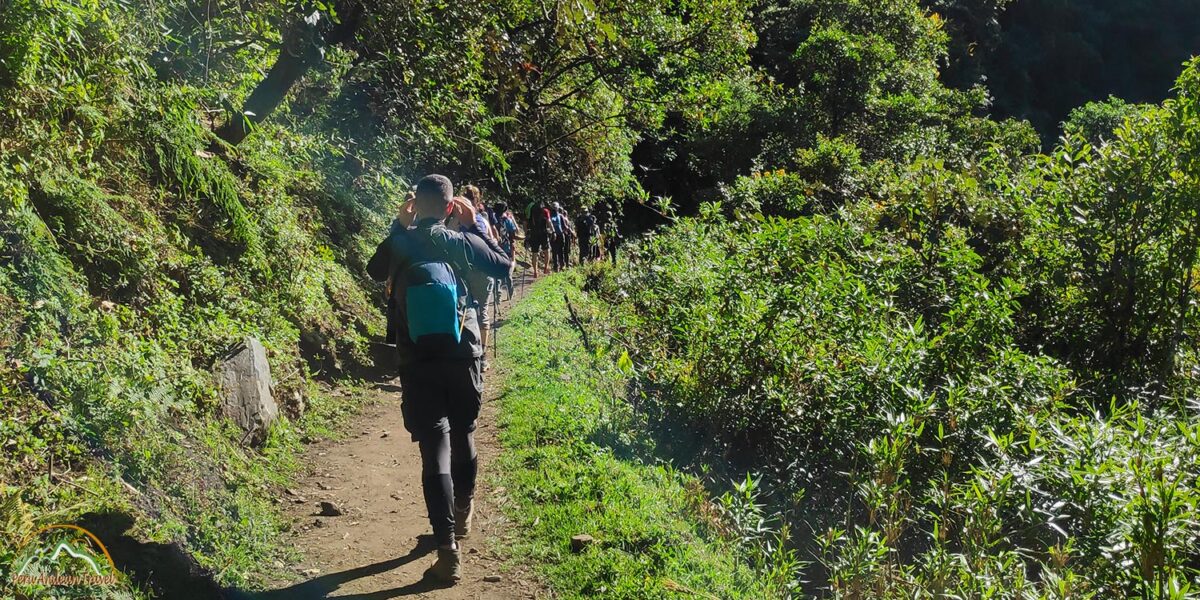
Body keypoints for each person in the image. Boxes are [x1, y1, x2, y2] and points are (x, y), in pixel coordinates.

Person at [366, 175, 512, 583]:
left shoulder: (402, 240)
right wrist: (474, 224)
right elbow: (503, 266)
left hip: (416, 357)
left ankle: (447, 547)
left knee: (435, 447)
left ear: (416, 204)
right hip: (462, 351)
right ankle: (463, 512)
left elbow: (374, 269)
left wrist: (399, 225)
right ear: (450, 206)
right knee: (464, 431)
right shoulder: (459, 238)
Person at [526, 200, 552, 276]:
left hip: (534, 233)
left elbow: (527, 221)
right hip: (543, 233)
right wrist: (552, 231)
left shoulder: (531, 211)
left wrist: (527, 231)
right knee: (547, 251)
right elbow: (549, 221)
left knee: (534, 253)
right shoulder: (545, 211)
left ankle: (535, 271)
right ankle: (546, 268)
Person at [549, 202, 569, 271]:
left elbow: (564, 226)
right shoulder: (549, 216)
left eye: (555, 207)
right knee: (554, 251)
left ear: (557, 208)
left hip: (560, 235)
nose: (554, 208)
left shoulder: (560, 216)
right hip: (553, 235)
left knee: (560, 251)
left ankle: (561, 266)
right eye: (553, 207)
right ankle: (556, 267)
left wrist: (567, 230)